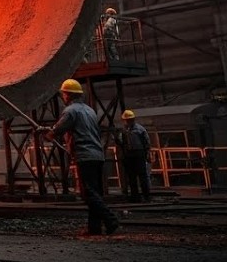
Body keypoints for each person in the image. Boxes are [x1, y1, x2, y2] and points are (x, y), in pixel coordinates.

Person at [42, 79, 119, 236]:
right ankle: (94, 228)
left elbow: (57, 130)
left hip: (84, 155)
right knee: (95, 192)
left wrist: (47, 134)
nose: (63, 97)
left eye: (64, 94)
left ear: (68, 95)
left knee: (88, 193)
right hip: (97, 155)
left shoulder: (71, 111)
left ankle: (110, 218)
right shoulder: (90, 110)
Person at [119, 109, 151, 203]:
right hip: (129, 155)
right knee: (132, 177)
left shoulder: (140, 129)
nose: (127, 122)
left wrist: (147, 153)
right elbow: (121, 142)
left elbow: (147, 142)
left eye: (129, 120)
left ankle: (146, 196)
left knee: (142, 176)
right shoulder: (124, 130)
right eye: (126, 120)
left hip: (139, 154)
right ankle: (135, 197)